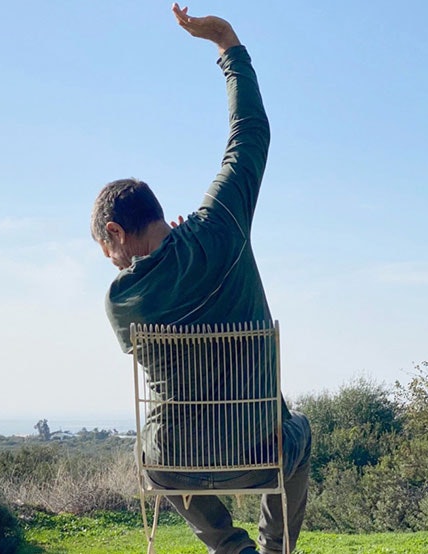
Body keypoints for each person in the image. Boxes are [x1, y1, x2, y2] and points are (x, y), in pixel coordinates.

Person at [91, 4, 311, 554]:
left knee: (147, 452)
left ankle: (231, 548)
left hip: (179, 465)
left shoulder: (121, 301)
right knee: (300, 432)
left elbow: (160, 285)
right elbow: (250, 134)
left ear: (115, 231)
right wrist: (227, 45)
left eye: (109, 253)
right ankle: (275, 548)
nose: (115, 265)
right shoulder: (222, 229)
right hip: (260, 453)